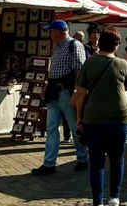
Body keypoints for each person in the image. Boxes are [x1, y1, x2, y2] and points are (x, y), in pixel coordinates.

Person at [74, 29, 127, 206]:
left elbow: (81, 94)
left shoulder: (89, 63)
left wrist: (79, 118)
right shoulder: (122, 63)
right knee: (118, 159)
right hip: (119, 117)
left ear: (99, 44)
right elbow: (126, 86)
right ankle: (114, 200)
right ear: (116, 45)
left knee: (96, 162)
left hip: (94, 117)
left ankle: (98, 205)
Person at [31, 19, 89, 175]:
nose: (50, 34)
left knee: (75, 127)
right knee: (51, 128)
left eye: (52, 31)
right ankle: (49, 164)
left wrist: (76, 95)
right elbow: (54, 71)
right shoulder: (57, 47)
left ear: (60, 32)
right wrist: (46, 86)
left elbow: (80, 72)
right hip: (54, 92)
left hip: (66, 92)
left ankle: (83, 158)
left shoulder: (74, 45)